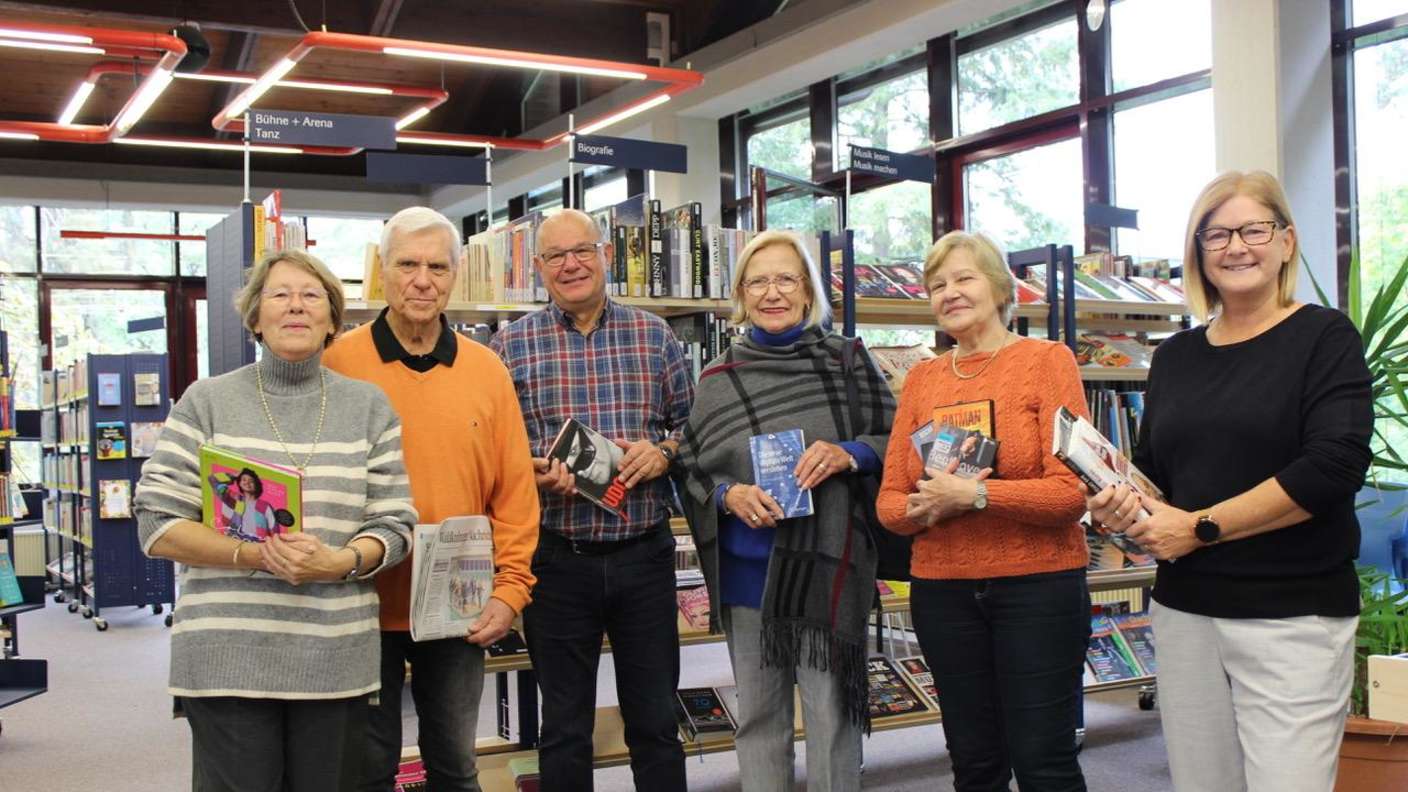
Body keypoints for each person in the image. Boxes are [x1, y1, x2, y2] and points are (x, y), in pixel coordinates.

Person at [1086, 171, 1373, 792]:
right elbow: (1158, 476)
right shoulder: (1175, 356)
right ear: (1198, 253)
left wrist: (1199, 528)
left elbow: (1332, 468)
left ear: (1287, 241)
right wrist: (1122, 506)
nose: (1236, 246)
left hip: (1292, 614)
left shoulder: (1324, 337)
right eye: (1216, 234)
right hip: (1185, 611)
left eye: (1254, 229)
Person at [133, 249, 417, 792]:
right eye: (279, 294)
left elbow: (395, 523)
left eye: (312, 296)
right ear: (254, 317)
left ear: (333, 318)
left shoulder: (369, 407)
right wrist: (253, 554)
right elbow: (156, 521)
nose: (296, 307)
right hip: (226, 658)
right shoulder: (207, 401)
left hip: (333, 658)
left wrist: (340, 561)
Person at [322, 206, 540, 792]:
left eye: (437, 266)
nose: (423, 280)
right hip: (360, 602)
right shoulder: (337, 364)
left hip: (458, 606)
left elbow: (515, 491)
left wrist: (512, 588)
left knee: (455, 768)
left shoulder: (487, 370)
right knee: (365, 771)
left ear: (456, 275)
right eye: (408, 264)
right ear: (382, 271)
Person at [675, 230, 895, 792]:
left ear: (807, 291)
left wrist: (848, 453)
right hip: (750, 577)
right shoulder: (717, 377)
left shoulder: (848, 360)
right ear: (741, 295)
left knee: (832, 715)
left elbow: (899, 437)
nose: (772, 293)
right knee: (759, 720)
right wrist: (729, 495)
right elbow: (693, 467)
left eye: (786, 279)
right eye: (758, 282)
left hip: (828, 568)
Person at [876, 230, 1093, 792]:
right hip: (943, 591)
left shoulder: (1048, 361)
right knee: (974, 763)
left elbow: (1071, 492)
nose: (949, 293)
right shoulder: (922, 379)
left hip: (1038, 588)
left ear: (999, 287)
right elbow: (891, 504)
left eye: (964, 278)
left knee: (1044, 761)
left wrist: (975, 495)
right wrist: (927, 508)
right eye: (937, 285)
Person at [490, 208, 694, 792]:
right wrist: (529, 472)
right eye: (556, 256)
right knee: (563, 727)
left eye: (582, 251)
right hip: (556, 561)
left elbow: (693, 428)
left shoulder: (655, 336)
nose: (571, 264)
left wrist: (663, 452)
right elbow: (499, 452)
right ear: (538, 268)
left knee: (655, 721)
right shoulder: (510, 346)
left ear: (606, 256)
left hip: (644, 557)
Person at [209, 468, 278, 540]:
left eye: (251, 481)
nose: (247, 482)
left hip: (257, 545)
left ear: (256, 484)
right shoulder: (235, 499)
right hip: (235, 540)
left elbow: (274, 531)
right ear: (240, 483)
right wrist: (233, 476)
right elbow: (213, 479)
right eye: (244, 480)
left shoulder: (264, 506)